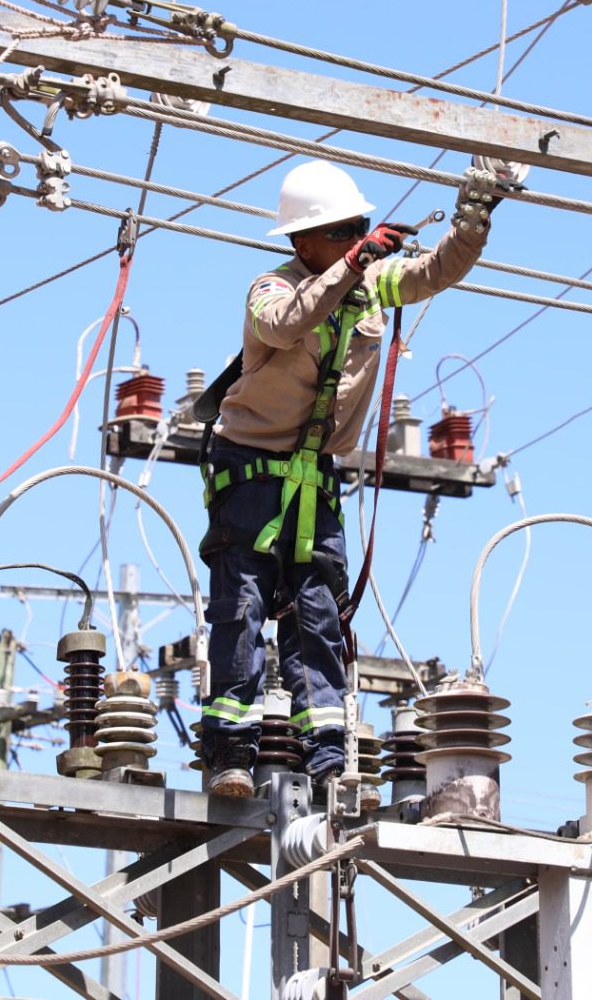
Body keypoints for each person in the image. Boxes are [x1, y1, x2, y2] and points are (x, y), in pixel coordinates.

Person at [197, 159, 511, 798]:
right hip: (250, 477)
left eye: (359, 228)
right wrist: (352, 265)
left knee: (318, 618)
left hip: (316, 484)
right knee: (243, 608)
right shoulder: (269, 290)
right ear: (301, 241)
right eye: (342, 232)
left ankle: (329, 762)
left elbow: (436, 271)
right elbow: (289, 323)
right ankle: (231, 752)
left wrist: (473, 218)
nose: (354, 240)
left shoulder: (369, 287)